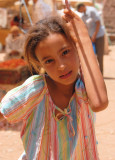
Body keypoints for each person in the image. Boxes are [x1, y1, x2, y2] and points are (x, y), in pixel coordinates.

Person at [0, 8, 108, 160]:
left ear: (77, 48)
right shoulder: (35, 89)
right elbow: (4, 110)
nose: (61, 66)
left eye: (65, 52)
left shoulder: (85, 85)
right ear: (40, 64)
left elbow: (99, 102)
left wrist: (83, 37)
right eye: (49, 61)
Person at [76, 3, 105, 74]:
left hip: (99, 36)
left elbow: (98, 23)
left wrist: (94, 35)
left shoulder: (92, 11)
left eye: (79, 9)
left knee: (100, 55)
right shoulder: (83, 16)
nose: (79, 11)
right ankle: (95, 72)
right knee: (91, 55)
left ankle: (101, 72)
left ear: (82, 7)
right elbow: (85, 27)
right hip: (91, 37)